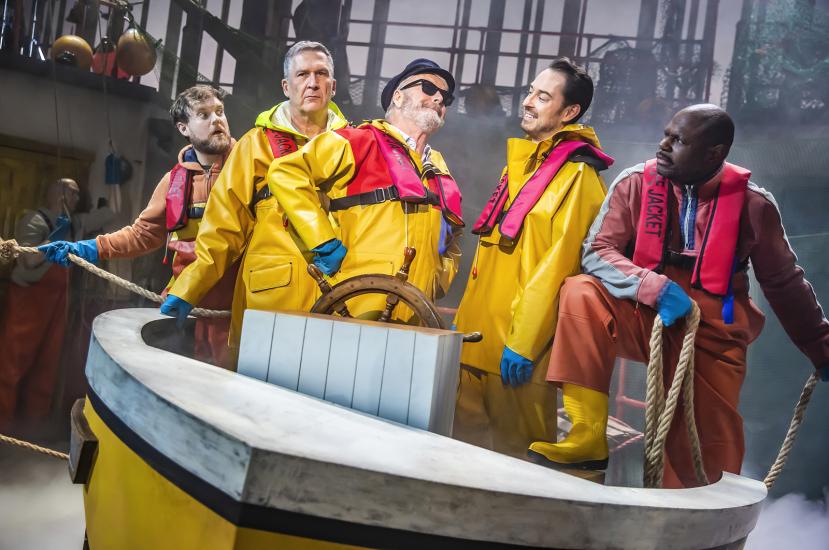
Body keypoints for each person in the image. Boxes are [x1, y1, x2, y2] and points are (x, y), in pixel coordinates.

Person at [529, 104, 829, 488]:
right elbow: (597, 250)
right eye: (666, 134)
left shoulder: (755, 205)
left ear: (714, 153)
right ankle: (585, 436)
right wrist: (651, 286)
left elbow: (785, 284)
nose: (663, 145)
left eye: (678, 140)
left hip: (713, 332)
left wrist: (821, 347)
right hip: (645, 311)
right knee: (581, 291)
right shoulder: (634, 182)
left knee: (705, 464)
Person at [451, 59, 612, 457]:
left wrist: (522, 344)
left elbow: (558, 267)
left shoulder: (578, 177)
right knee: (455, 459)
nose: (528, 102)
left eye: (543, 97)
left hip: (515, 350)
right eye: (529, 92)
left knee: (516, 463)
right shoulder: (526, 163)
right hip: (472, 340)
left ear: (569, 112)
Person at [161, 41, 348, 367]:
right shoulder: (255, 145)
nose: (313, 82)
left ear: (333, 86)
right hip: (270, 296)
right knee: (257, 395)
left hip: (338, 295)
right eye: (302, 74)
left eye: (322, 74)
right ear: (286, 86)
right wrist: (188, 288)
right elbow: (222, 227)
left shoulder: (354, 144)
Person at [39, 84, 235, 367]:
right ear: (183, 128)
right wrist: (88, 249)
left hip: (237, 313)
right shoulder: (174, 183)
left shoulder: (250, 169)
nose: (216, 120)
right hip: (184, 308)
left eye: (219, 111)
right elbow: (142, 235)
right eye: (203, 115)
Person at [264, 58, 463, 321]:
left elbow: (452, 235)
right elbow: (286, 172)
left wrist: (438, 278)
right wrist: (322, 241)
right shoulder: (356, 140)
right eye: (428, 87)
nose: (439, 98)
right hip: (357, 304)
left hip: (417, 309)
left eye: (446, 97)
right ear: (399, 97)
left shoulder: (438, 166)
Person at [0, 178, 112, 431]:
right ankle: (3, 424)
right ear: (57, 193)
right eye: (71, 193)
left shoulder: (75, 222)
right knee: (12, 362)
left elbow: (110, 214)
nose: (75, 198)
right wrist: (53, 238)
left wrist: (113, 179)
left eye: (76, 194)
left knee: (48, 364)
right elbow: (27, 262)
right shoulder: (34, 220)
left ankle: (32, 425)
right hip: (29, 300)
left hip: (59, 300)